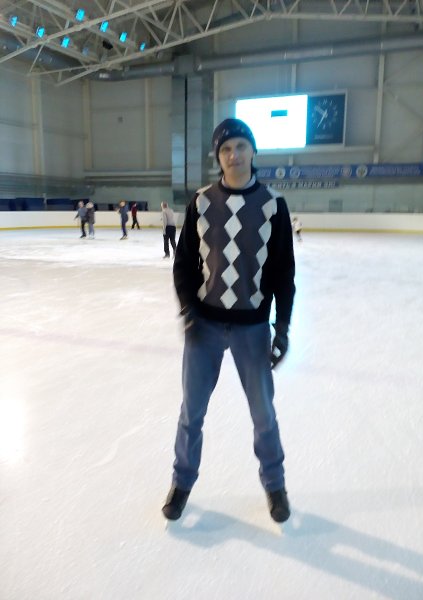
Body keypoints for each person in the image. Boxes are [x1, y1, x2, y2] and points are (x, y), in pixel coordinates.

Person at [162, 118, 296, 523]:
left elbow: (283, 273)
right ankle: (182, 482)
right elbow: (184, 264)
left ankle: (275, 485)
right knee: (191, 413)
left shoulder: (273, 205)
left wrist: (282, 327)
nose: (233, 154)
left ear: (253, 151)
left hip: (252, 329)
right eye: (225, 149)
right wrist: (188, 308)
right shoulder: (201, 202)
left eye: (240, 146)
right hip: (203, 328)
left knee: (263, 415)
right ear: (218, 157)